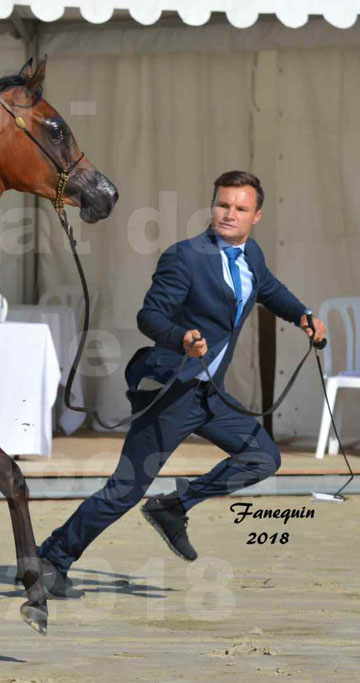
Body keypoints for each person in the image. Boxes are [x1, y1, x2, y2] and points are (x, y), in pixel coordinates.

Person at [37, 170, 327, 599]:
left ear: (256, 215)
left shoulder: (252, 256)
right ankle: (50, 560)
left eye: (240, 208)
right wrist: (183, 338)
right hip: (172, 388)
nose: (229, 214)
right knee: (126, 489)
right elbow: (150, 316)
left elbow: (267, 289)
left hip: (210, 392)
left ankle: (174, 505)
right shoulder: (186, 257)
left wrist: (302, 315)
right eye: (223, 205)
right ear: (213, 206)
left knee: (262, 457)